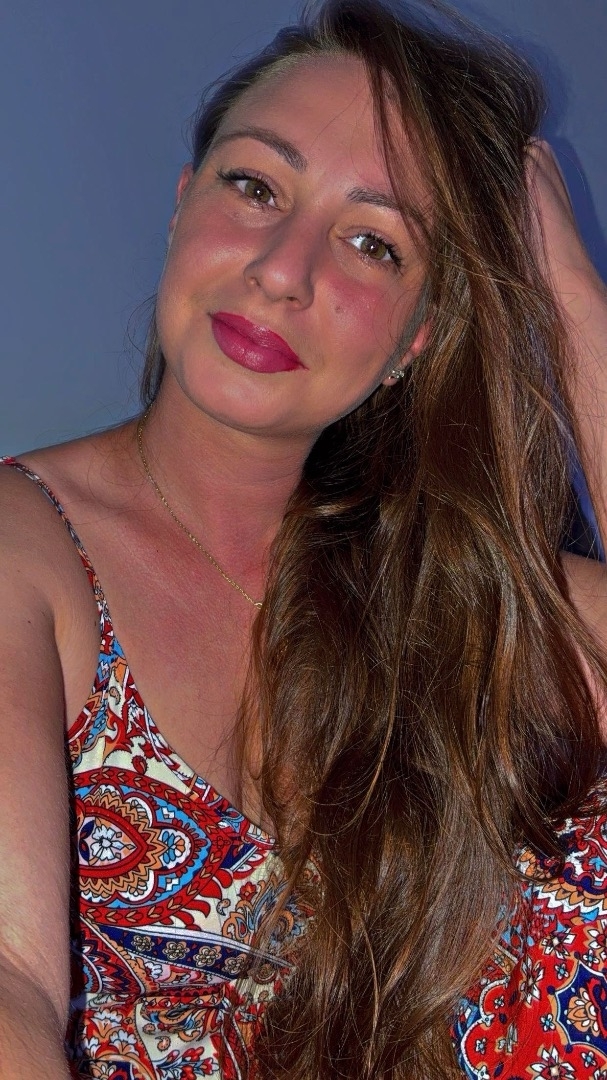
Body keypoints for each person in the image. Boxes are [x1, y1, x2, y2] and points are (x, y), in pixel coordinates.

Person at [1, 1, 607, 1077]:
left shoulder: (444, 594)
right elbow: (11, 979)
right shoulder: (29, 548)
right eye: (254, 187)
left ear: (417, 338)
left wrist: (566, 304)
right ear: (183, 207)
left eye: (373, 242)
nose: (283, 269)